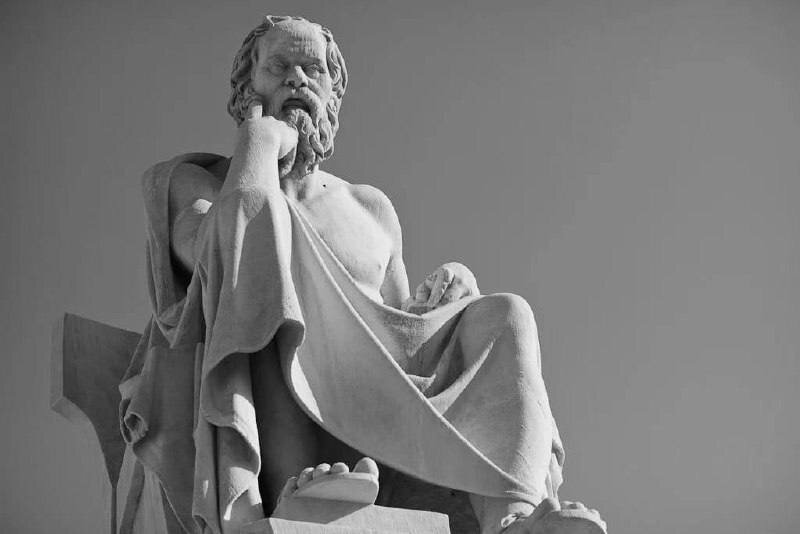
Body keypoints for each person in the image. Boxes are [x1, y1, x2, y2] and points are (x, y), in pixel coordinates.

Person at [122, 15, 605, 534]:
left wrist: (455, 291)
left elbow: (398, 328)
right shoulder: (191, 183)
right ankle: (289, 486)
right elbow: (221, 256)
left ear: (333, 95)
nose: (297, 79)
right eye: (279, 66)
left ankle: (512, 515)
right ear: (247, 88)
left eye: (313, 70)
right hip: (279, 388)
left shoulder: (370, 207)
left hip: (375, 395)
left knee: (506, 312)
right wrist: (259, 142)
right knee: (266, 236)